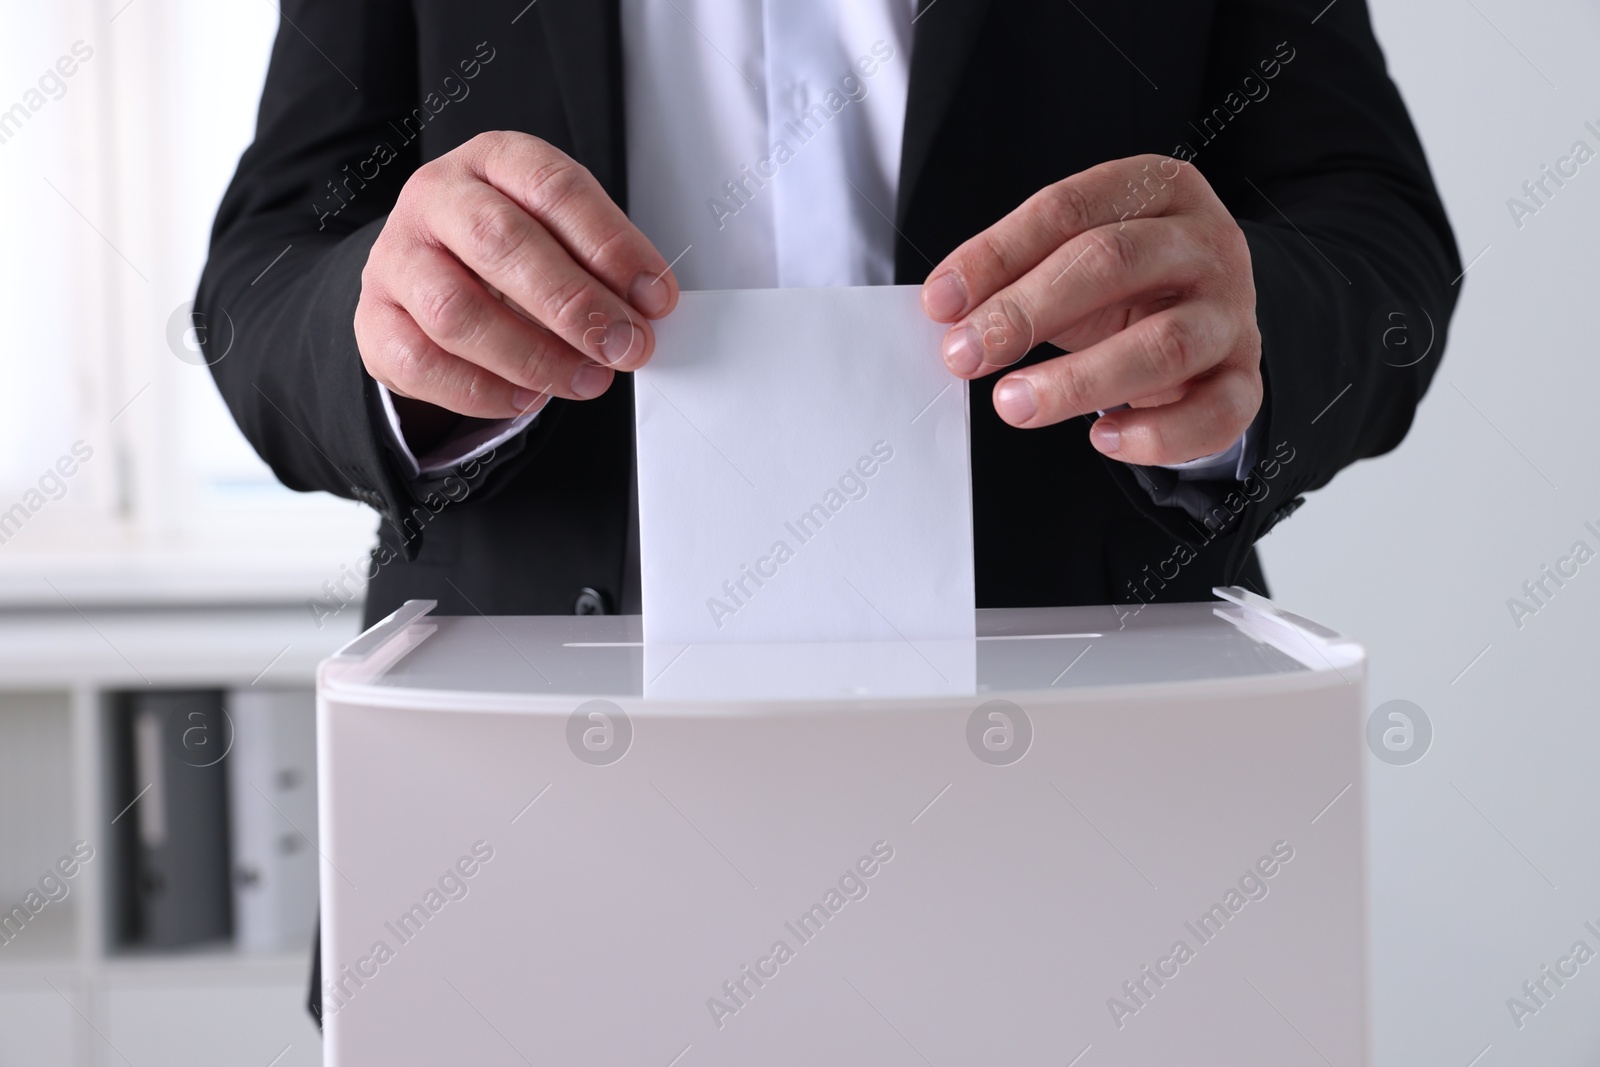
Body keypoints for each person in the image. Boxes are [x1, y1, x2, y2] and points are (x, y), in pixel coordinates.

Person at [196, 0, 1457, 1021]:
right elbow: (261, 277)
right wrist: (399, 323)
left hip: (1094, 839)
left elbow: (1373, 229)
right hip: (518, 852)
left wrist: (1245, 332)